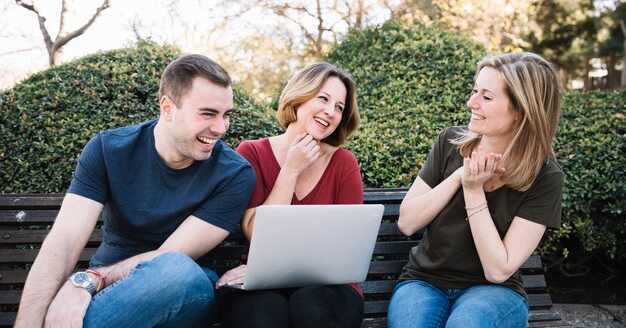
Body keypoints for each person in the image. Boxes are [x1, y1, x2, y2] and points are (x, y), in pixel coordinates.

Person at [14, 54, 256, 328]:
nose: (221, 127)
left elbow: (170, 254)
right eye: (208, 114)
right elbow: (65, 239)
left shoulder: (234, 173)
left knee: (173, 269)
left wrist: (90, 279)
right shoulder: (109, 150)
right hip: (110, 297)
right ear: (167, 108)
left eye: (226, 115)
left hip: (187, 292)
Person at [387, 52, 564, 328]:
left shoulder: (546, 176)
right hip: (423, 282)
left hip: (496, 293)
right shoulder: (449, 143)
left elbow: (497, 270)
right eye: (474, 91)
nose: (471, 103)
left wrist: (473, 190)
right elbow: (407, 223)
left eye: (487, 97)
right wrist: (460, 176)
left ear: (520, 110)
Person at [216, 62, 364, 328]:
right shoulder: (253, 153)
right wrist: (291, 169)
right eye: (324, 99)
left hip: (328, 287)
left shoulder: (344, 163)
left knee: (310, 306)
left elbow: (345, 249)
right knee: (264, 312)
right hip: (259, 280)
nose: (330, 112)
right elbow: (257, 233)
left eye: (339, 107)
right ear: (299, 97)